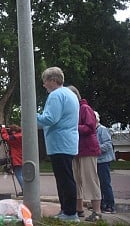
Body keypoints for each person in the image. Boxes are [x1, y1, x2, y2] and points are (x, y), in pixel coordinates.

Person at [36, 66, 80, 222]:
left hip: (59, 143)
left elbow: (50, 118)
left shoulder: (56, 95)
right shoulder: (70, 94)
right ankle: (67, 211)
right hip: (68, 142)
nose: (44, 85)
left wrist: (31, 115)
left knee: (64, 179)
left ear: (53, 80)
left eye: (45, 81)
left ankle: (69, 213)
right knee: (66, 177)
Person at [67, 85, 102, 222]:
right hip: (75, 150)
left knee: (91, 179)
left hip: (88, 149)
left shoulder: (85, 109)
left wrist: (71, 127)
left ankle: (97, 211)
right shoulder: (74, 110)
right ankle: (79, 208)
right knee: (76, 180)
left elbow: (90, 127)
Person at [94, 111, 116, 214]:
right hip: (97, 160)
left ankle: (110, 206)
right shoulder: (94, 130)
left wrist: (95, 149)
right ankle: (102, 204)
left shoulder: (102, 130)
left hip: (103, 161)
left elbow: (108, 144)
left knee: (105, 184)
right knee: (99, 184)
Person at [0, 124, 23, 195]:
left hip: (17, 158)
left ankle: (25, 189)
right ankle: (26, 189)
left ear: (13, 131)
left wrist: (3, 129)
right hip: (22, 156)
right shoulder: (21, 135)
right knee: (22, 174)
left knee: (18, 174)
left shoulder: (15, 137)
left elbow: (6, 137)